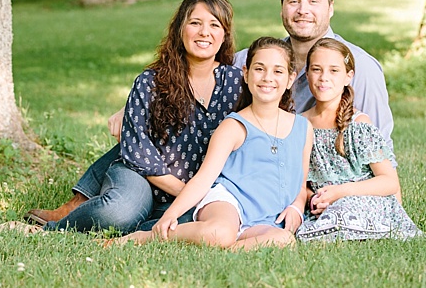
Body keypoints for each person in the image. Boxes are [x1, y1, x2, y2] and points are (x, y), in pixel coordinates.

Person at [107, 0, 401, 197]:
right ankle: (84, 199)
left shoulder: (359, 66)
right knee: (143, 129)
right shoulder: (251, 61)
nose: (302, 10)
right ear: (282, 8)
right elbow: (195, 69)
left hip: (314, 179)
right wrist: (135, 106)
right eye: (293, 1)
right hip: (258, 168)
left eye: (314, 1)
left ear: (331, 8)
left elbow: (378, 146)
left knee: (141, 136)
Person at [13, 0, 243, 234]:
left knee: (199, 224)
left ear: (224, 34)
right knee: (119, 213)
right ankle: (52, 229)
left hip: (198, 189)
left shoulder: (237, 84)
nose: (204, 32)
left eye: (214, 25)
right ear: (180, 30)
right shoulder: (150, 82)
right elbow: (140, 154)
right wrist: (190, 194)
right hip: (142, 177)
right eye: (195, 23)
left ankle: (137, 230)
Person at [115, 37, 314, 250]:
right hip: (228, 203)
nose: (267, 78)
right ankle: (150, 235)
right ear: (246, 74)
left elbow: (301, 185)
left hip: (267, 216)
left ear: (291, 79)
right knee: (219, 232)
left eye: (278, 71)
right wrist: (171, 214)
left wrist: (296, 207)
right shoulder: (234, 126)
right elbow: (203, 179)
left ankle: (228, 248)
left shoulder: (303, 128)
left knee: (284, 240)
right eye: (259, 69)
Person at [295, 38, 421, 241]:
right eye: (316, 69)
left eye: (334, 70)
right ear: (307, 74)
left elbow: (389, 182)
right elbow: (300, 181)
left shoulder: (358, 124)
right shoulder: (299, 125)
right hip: (325, 206)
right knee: (308, 224)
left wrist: (340, 192)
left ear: (348, 77)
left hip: (364, 200)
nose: (323, 78)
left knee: (344, 211)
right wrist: (315, 199)